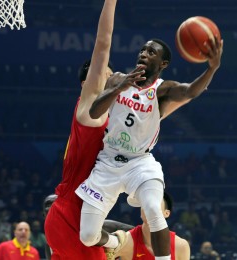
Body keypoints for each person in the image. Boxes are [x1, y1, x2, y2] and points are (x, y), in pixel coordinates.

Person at [76, 33, 223, 260]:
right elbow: (94, 112)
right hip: (108, 161)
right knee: (87, 236)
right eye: (143, 49)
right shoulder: (116, 79)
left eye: (151, 52)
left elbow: (190, 91)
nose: (144, 53)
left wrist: (211, 69)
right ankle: (116, 240)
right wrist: (118, 88)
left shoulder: (163, 90)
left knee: (154, 209)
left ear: (162, 64)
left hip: (140, 163)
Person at [43, 0, 134, 258]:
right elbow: (103, 43)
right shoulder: (88, 107)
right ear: (89, 82)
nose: (113, 74)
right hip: (71, 216)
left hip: (78, 216)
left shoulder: (106, 118)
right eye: (107, 71)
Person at [113, 192, 190, 259]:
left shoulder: (180, 246)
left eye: (155, 205)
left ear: (166, 213)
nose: (149, 208)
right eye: (146, 204)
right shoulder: (124, 242)